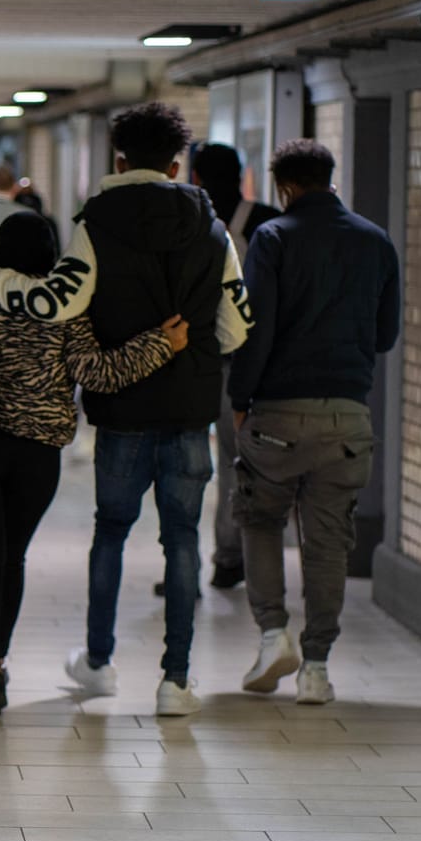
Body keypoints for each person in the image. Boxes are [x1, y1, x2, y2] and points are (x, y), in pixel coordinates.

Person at [0, 101, 251, 717]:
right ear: (178, 164)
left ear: (119, 159)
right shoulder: (213, 229)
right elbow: (237, 326)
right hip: (190, 413)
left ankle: (99, 664)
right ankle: (175, 681)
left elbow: (57, 302)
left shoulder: (96, 224)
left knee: (111, 535)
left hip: (123, 411)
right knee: (182, 541)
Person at [0, 212, 185, 716]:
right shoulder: (64, 307)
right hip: (37, 454)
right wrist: (160, 343)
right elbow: (96, 372)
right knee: (11, 558)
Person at [231, 139, 400, 706]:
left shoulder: (273, 237)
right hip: (347, 420)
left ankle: (274, 634)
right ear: (331, 178)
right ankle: (318, 667)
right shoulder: (376, 241)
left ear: (283, 186)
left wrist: (240, 395)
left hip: (277, 412)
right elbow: (384, 336)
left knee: (260, 520)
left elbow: (257, 327)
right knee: (328, 543)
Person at [189, 141, 282, 594]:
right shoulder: (265, 219)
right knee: (243, 460)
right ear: (242, 173)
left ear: (196, 177)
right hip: (253, 360)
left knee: (208, 461)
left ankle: (221, 558)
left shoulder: (192, 222)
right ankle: (239, 557)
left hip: (196, 358)